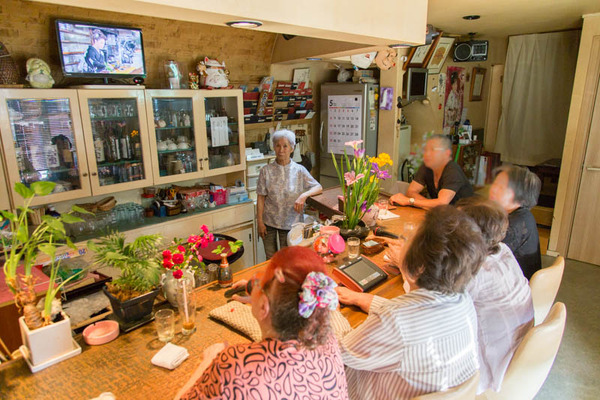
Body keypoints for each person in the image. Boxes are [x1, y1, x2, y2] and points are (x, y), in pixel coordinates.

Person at [336, 205, 486, 400]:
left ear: (418, 269)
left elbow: (341, 351)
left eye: (406, 240)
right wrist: (364, 299)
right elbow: (416, 320)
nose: (400, 243)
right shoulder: (463, 299)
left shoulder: (395, 320)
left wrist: (330, 309)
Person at [175, 247, 348, 399]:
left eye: (261, 280)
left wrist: (208, 361)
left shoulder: (233, 366)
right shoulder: (327, 340)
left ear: (264, 306)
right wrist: (273, 299)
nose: (255, 281)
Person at [457, 197, 534, 393]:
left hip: (488, 371)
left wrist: (409, 267)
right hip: (515, 354)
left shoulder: (475, 272)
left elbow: (435, 304)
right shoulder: (503, 251)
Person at [257, 129, 322, 259]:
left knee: (289, 259)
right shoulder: (266, 171)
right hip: (269, 222)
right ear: (274, 147)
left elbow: (318, 187)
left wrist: (303, 196)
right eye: (278, 145)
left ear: (292, 148)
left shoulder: (299, 170)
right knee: (270, 259)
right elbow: (261, 197)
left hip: (291, 223)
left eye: (285, 146)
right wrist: (260, 222)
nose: (281, 150)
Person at [390, 134, 473, 209]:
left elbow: (442, 203)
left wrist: (410, 201)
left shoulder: (453, 171)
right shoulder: (427, 166)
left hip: (465, 215)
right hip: (443, 213)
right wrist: (429, 204)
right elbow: (411, 191)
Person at [488, 165, 542, 279]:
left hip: (514, 284)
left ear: (519, 194)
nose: (493, 189)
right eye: (495, 184)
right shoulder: (521, 214)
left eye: (501, 187)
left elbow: (488, 259)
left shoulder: (516, 223)